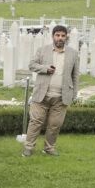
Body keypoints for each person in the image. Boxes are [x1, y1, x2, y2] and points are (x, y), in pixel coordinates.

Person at [23, 24, 79, 157]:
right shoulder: (42, 50)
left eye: (63, 36)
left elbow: (75, 75)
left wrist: (74, 94)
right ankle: (28, 147)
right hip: (42, 93)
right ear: (53, 36)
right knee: (35, 122)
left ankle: (49, 148)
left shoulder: (73, 53)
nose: (60, 38)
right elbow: (31, 65)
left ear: (66, 37)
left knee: (55, 124)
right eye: (57, 35)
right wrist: (45, 68)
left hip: (61, 96)